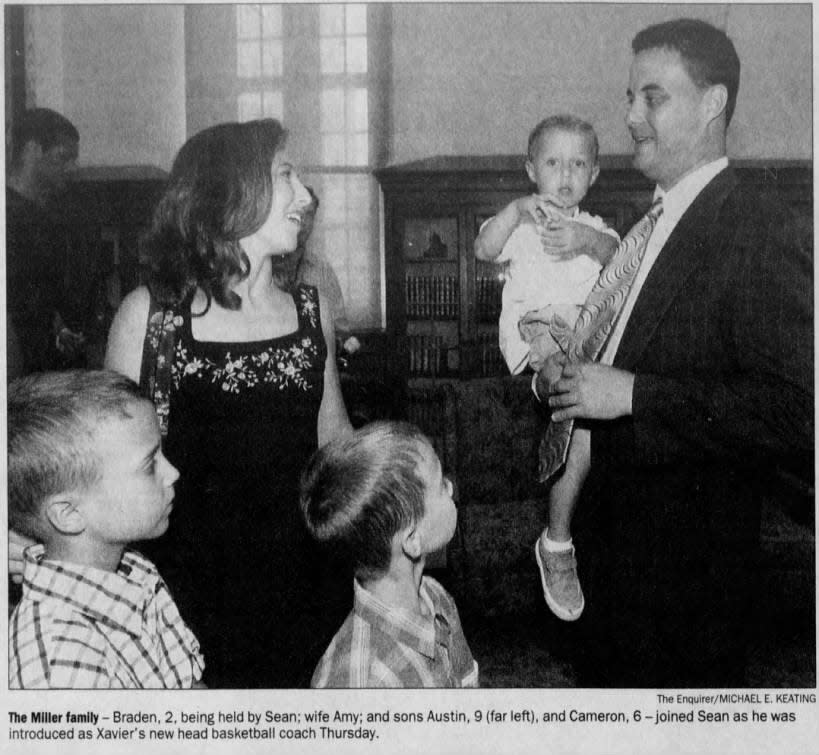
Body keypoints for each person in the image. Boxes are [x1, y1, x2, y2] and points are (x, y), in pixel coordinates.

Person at [537, 19, 813, 687]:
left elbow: (797, 410)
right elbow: (615, 354)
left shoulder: (762, 228)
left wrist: (633, 394)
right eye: (629, 97)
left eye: (652, 97)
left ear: (712, 103)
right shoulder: (645, 221)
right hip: (612, 564)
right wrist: (567, 373)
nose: (630, 117)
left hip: (687, 589)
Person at [68, 118, 348, 688]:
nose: (305, 195)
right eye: (286, 176)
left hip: (306, 582)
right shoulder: (149, 317)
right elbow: (98, 466)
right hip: (189, 595)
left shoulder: (312, 309)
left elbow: (335, 440)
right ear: (227, 192)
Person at [474, 115, 619, 622]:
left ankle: (557, 540)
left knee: (584, 410)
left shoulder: (593, 229)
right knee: (568, 378)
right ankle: (557, 540)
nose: (565, 174)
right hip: (539, 334)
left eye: (579, 164)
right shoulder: (522, 226)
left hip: (584, 339)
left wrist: (585, 240)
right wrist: (514, 211)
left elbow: (622, 260)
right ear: (531, 169)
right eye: (553, 162)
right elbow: (483, 249)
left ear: (594, 175)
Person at [7, 370, 204, 689]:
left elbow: (190, 689)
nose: (173, 472)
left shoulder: (135, 571)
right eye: (149, 465)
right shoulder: (60, 666)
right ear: (68, 514)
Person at [301, 421, 479, 688]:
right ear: (412, 540)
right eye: (441, 484)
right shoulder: (361, 683)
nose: (451, 487)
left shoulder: (436, 598)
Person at [6, 108, 86, 377]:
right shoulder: (9, 216)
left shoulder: (46, 215)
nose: (73, 169)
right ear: (32, 150)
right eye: (63, 158)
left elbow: (41, 293)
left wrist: (59, 328)